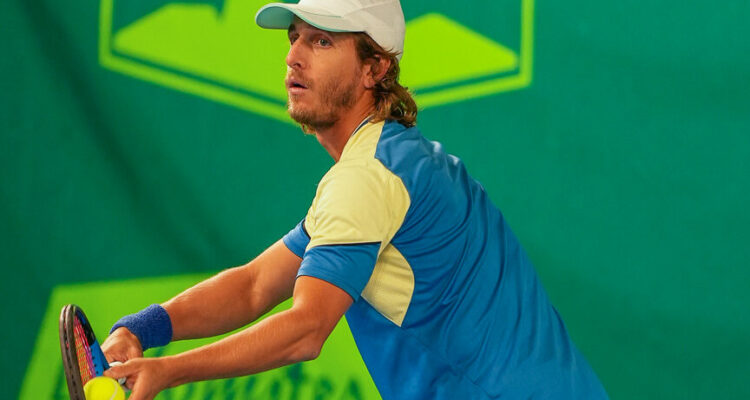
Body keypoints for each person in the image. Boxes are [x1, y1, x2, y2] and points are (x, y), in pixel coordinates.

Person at [102, 0, 609, 399]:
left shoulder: (367, 179)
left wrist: (167, 371)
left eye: (322, 41)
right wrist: (142, 328)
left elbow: (305, 331)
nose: (294, 55)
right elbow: (256, 285)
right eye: (295, 37)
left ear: (375, 69)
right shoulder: (397, 160)